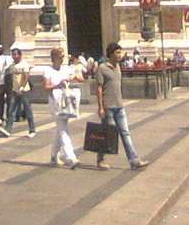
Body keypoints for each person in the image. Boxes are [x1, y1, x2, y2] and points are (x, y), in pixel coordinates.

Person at [95, 42, 148, 170]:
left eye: (120, 53)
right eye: (117, 53)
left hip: (119, 106)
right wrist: (100, 107)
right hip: (108, 107)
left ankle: (134, 160)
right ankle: (100, 159)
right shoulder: (102, 68)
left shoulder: (118, 67)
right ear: (110, 54)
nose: (120, 55)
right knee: (108, 134)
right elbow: (99, 88)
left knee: (125, 133)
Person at [43, 48, 83, 169]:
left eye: (63, 57)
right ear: (54, 58)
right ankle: (70, 157)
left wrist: (74, 77)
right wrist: (57, 84)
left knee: (60, 128)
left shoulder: (66, 69)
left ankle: (54, 156)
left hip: (65, 101)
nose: (62, 59)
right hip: (54, 102)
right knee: (63, 129)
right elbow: (46, 87)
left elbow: (76, 76)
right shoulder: (48, 71)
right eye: (60, 57)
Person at [9, 47, 36, 137]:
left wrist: (21, 88)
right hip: (14, 90)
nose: (14, 56)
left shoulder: (24, 64)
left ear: (20, 55)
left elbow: (26, 77)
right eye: (13, 54)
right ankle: (8, 129)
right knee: (11, 110)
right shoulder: (12, 65)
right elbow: (12, 78)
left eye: (16, 54)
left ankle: (32, 130)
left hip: (24, 91)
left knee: (28, 110)